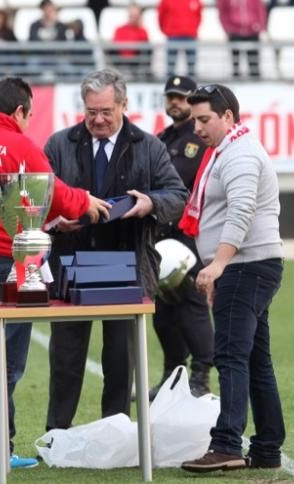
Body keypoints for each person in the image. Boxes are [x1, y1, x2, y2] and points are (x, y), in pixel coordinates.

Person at [0, 77, 109, 469]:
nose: (29, 122)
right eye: (29, 115)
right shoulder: (17, 145)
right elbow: (51, 191)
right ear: (18, 111)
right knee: (6, 362)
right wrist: (85, 202)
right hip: (7, 262)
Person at [43, 68, 188, 431]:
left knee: (121, 358)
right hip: (70, 264)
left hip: (128, 264)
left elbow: (177, 196)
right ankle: (56, 433)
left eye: (106, 111)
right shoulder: (59, 144)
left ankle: (118, 431)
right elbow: (38, 196)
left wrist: (149, 204)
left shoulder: (149, 146)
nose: (98, 120)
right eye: (91, 112)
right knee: (65, 356)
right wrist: (57, 218)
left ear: (124, 105)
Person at [179, 84, 286, 474]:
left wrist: (218, 265)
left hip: (245, 266)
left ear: (228, 117)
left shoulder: (238, 154)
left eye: (204, 119)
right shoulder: (233, 151)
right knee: (256, 359)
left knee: (230, 355)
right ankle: (268, 446)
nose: (198, 128)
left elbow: (241, 211)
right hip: (253, 265)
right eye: (195, 120)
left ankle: (226, 444)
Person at [152, 75, 214, 398]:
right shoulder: (161, 139)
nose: (175, 102)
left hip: (190, 233)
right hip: (161, 234)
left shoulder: (201, 139)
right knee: (162, 310)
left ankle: (201, 375)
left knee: (191, 301)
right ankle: (172, 373)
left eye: (182, 97)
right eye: (171, 96)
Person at [217, 0, 265, 79]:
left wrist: (260, 26)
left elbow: (260, 7)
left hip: (252, 30)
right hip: (234, 31)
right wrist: (228, 29)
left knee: (254, 67)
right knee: (235, 68)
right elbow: (222, 11)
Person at [158, 0, 203, 78]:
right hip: (173, 37)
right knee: (170, 68)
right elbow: (161, 17)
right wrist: (168, 31)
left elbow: (199, 16)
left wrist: (192, 29)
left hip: (190, 37)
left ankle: (193, 90)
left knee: (192, 69)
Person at [110, 5, 151, 80]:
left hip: (136, 59)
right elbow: (117, 45)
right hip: (121, 58)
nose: (133, 18)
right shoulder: (119, 29)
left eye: (136, 16)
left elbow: (144, 46)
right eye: (132, 16)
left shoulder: (142, 31)